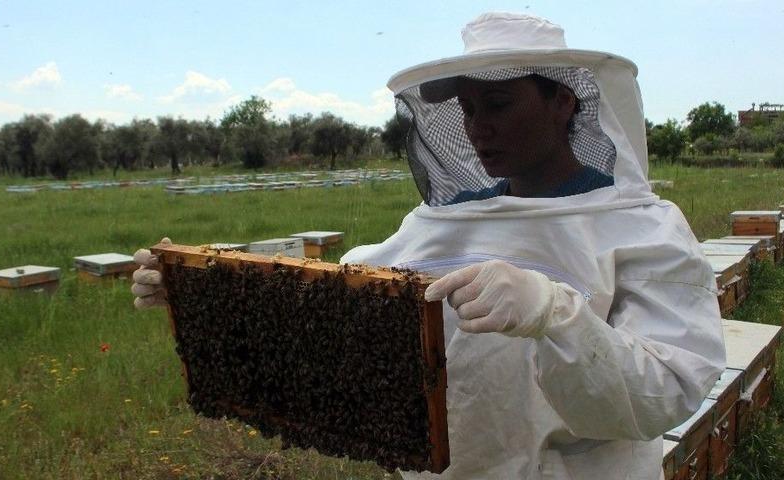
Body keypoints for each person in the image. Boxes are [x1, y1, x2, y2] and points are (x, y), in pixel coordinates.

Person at [133, 13, 725, 479]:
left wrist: (556, 314)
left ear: (562, 101)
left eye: (498, 104)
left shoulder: (643, 229)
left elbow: (669, 390)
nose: (477, 127)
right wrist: (206, 289)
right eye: (467, 108)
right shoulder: (443, 221)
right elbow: (348, 303)